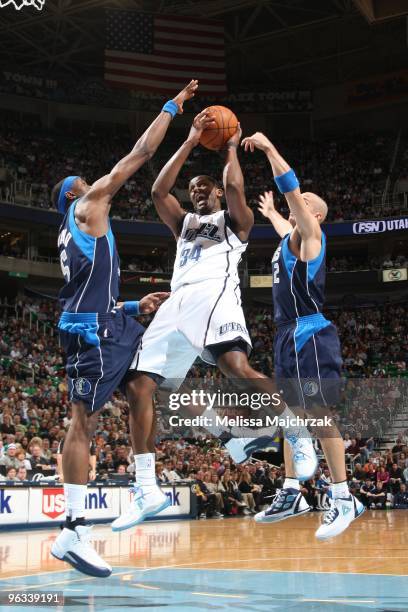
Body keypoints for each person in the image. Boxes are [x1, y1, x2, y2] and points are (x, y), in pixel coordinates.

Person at [111, 113, 315, 532]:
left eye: (204, 187)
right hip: (177, 304)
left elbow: (238, 186)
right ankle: (148, 488)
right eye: (193, 190)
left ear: (219, 193)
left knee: (235, 368)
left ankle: (296, 430)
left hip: (215, 295)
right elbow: (157, 189)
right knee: (140, 386)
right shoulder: (184, 223)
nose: (197, 192)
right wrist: (188, 141)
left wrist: (227, 147)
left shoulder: (234, 224)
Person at [50, 80, 198, 578]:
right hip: (93, 333)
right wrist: (171, 109)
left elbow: (94, 291)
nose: (92, 180)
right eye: (82, 180)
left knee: (142, 383)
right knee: (82, 423)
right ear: (75, 194)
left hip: (110, 322)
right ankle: (72, 530)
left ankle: (146, 484)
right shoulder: (88, 207)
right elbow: (138, 154)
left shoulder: (81, 229)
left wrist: (135, 303)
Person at [242, 132, 364, 539]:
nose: (299, 200)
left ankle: (343, 496)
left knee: (318, 415)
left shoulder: (312, 236)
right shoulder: (290, 238)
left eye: (304, 200)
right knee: (291, 419)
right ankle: (293, 491)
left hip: (310, 332)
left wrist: (270, 148)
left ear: (312, 213)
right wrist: (272, 211)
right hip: (287, 335)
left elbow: (291, 188)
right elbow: (282, 223)